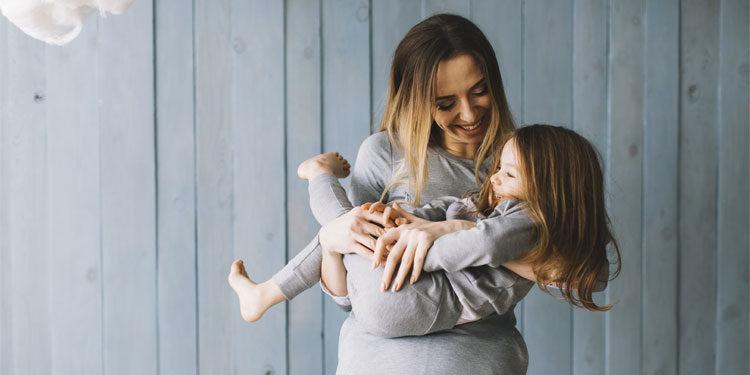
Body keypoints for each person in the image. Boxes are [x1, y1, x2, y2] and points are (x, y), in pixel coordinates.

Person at [230, 13, 538, 374]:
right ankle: (318, 185)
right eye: (445, 103)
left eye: (479, 90)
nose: (469, 113)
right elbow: (349, 297)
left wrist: (455, 233)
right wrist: (331, 242)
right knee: (351, 224)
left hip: (479, 363)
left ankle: (319, 178)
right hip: (375, 360)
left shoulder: (522, 168)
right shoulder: (385, 153)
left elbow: (571, 271)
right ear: (418, 100)